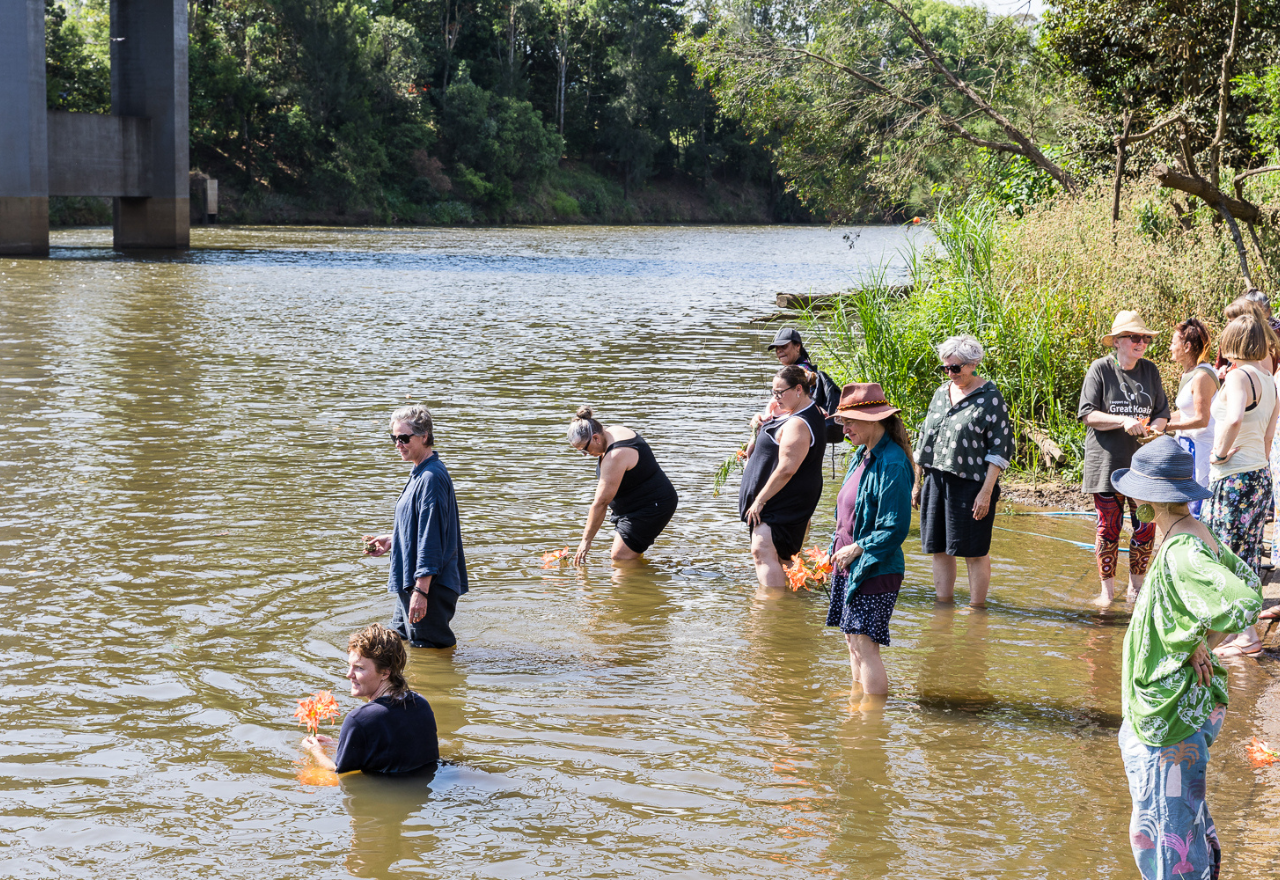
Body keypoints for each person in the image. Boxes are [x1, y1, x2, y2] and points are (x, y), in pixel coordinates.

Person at [1110, 436, 1261, 880]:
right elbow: (1246, 573)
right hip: (1178, 709)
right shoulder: (1192, 531)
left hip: (1167, 715)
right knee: (1184, 823)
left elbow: (1244, 599)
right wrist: (1196, 635)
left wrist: (1205, 639)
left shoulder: (1181, 551)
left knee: (1162, 835)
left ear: (1147, 495)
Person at [824, 383, 913, 706]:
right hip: (849, 563)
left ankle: (872, 718)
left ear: (875, 420)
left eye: (850, 422)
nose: (844, 429)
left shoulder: (892, 463)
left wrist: (858, 547)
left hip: (875, 567)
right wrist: (834, 551)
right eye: (842, 422)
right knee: (851, 640)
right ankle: (857, 700)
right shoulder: (863, 455)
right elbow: (845, 514)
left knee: (866, 645)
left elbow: (895, 527)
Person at [911, 335, 1013, 607]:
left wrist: (986, 493)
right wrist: (917, 482)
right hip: (936, 479)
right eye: (945, 368)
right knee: (939, 549)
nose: (950, 373)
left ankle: (976, 609)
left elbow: (1000, 450)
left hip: (972, 484)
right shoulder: (940, 393)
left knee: (974, 552)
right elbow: (925, 439)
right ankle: (943, 607)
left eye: (956, 368)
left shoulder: (990, 397)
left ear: (974, 364)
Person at [1077, 311, 1169, 605]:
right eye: (1135, 337)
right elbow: (1088, 414)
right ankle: (1107, 593)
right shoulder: (1100, 369)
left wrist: (1154, 429)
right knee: (1108, 528)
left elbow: (1163, 413)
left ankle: (1136, 588)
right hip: (1107, 464)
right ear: (1117, 342)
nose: (1141, 342)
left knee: (1145, 525)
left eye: (1145, 338)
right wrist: (1123, 421)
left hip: (1143, 467)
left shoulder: (1150, 371)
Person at [1202, 314, 1277, 657]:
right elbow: (1268, 435)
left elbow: (1233, 418)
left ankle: (1246, 636)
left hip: (1234, 478)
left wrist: (1218, 455)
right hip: (1259, 476)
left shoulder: (1237, 377)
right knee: (1246, 555)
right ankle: (1237, 630)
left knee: (1224, 553)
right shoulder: (1268, 378)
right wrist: (1258, 465)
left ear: (1230, 342)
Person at [363, 405, 468, 649]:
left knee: (430, 651)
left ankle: (444, 687)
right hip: (410, 582)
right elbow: (421, 524)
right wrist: (394, 539)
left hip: (428, 586)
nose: (397, 444)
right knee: (397, 645)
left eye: (404, 438)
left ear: (425, 436)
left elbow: (431, 536)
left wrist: (421, 593)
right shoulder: (419, 471)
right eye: (394, 437)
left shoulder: (431, 477)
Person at [302, 623, 441, 775]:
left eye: (359, 668)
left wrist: (316, 752)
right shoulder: (420, 703)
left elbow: (341, 774)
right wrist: (339, 745)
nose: (349, 674)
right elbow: (397, 751)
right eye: (350, 666)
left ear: (385, 673)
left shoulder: (358, 720)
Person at [740, 364, 827, 590]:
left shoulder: (799, 423)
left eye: (780, 393)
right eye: (773, 392)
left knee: (762, 549)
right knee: (782, 557)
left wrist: (760, 500)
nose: (775, 398)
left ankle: (771, 610)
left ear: (799, 389)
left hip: (783, 497)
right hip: (786, 495)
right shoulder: (802, 410)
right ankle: (791, 610)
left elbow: (787, 468)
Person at [568, 407, 679, 565]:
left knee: (620, 557)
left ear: (596, 438)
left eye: (584, 450)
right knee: (626, 555)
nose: (586, 455)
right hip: (636, 503)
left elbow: (600, 503)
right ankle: (650, 566)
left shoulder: (616, 454)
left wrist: (585, 541)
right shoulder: (610, 433)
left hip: (653, 505)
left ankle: (648, 579)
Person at [1165, 317, 1219, 519]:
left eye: (1173, 343)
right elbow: (1186, 412)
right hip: (1187, 446)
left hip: (1200, 449)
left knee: (1195, 511)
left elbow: (1201, 419)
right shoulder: (1189, 373)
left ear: (1187, 346)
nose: (1170, 347)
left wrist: (1166, 427)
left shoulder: (1202, 376)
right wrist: (1158, 421)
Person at [767, 327, 843, 443]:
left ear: (798, 346)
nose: (779, 351)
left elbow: (780, 404)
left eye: (784, 346)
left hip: (798, 428)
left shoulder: (800, 371)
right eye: (777, 348)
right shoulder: (805, 367)